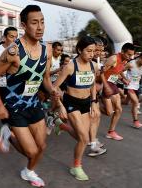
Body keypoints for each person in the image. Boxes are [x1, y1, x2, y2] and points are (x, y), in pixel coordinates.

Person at [0, 5, 59, 187]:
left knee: (41, 147)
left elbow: (44, 78)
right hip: (14, 107)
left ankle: (28, 171)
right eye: (34, 23)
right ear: (23, 25)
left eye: (42, 22)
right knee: (32, 151)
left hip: (33, 103)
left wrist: (52, 91)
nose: (40, 27)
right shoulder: (13, 52)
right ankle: (8, 134)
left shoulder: (47, 50)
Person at [53, 36, 99, 180]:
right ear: (80, 50)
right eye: (89, 51)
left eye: (94, 51)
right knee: (84, 138)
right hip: (71, 102)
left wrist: (94, 102)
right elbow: (55, 87)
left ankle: (61, 126)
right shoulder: (71, 66)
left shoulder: (94, 66)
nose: (92, 54)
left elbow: (92, 85)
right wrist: (60, 105)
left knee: (81, 137)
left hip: (86, 102)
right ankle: (76, 167)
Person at [101, 43, 135, 140]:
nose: (130, 57)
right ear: (122, 51)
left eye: (132, 55)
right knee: (108, 112)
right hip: (105, 84)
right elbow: (101, 72)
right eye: (129, 54)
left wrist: (123, 79)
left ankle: (111, 132)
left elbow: (118, 71)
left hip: (113, 84)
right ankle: (93, 108)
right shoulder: (113, 59)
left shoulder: (124, 60)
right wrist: (106, 86)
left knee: (119, 109)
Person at [124, 52, 142, 128]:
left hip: (136, 86)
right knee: (135, 102)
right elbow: (120, 71)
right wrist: (124, 80)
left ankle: (114, 103)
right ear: (139, 58)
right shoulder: (131, 64)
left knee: (126, 102)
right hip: (129, 86)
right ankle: (135, 121)